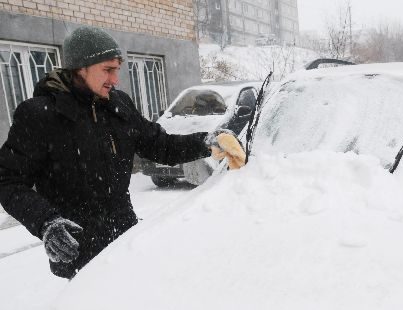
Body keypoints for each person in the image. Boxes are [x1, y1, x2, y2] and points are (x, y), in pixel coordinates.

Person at [0, 26, 245, 279]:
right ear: (80, 68)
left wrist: (207, 142)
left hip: (126, 241)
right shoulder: (40, 115)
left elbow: (160, 145)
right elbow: (8, 181)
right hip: (79, 251)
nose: (115, 79)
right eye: (107, 70)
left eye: (117, 69)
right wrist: (46, 222)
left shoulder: (118, 106)